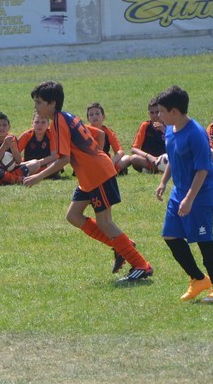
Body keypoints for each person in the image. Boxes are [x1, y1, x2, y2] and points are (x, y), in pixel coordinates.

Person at [24, 80, 153, 282]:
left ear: (52, 103)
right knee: (73, 216)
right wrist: (93, 158)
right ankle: (122, 245)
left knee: (104, 222)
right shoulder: (66, 117)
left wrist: (39, 176)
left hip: (97, 175)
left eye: (39, 102)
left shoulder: (59, 122)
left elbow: (64, 159)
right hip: (89, 177)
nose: (36, 107)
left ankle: (141, 265)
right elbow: (99, 134)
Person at [153, 86, 213, 303]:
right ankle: (198, 279)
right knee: (170, 235)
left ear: (174, 111)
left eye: (161, 111)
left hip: (201, 193)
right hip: (179, 192)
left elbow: (203, 169)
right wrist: (163, 181)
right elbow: (173, 157)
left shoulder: (196, 133)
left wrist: (189, 199)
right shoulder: (170, 129)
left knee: (204, 240)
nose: (158, 115)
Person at [117, 99, 167, 174]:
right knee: (134, 159)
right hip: (149, 161)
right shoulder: (145, 126)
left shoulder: (169, 125)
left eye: (157, 112)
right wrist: (149, 156)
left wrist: (164, 131)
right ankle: (157, 170)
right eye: (152, 113)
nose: (155, 116)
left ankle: (157, 169)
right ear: (148, 113)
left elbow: (176, 144)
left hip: (165, 159)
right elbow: (134, 149)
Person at [16, 112, 60, 180]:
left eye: (43, 122)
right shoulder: (27, 135)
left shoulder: (51, 135)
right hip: (29, 164)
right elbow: (15, 153)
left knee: (59, 162)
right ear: (32, 123)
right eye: (37, 122)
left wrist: (38, 163)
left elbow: (54, 156)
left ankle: (34, 173)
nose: (40, 125)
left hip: (46, 164)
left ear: (48, 124)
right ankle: (45, 173)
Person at [86, 102, 125, 172]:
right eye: (91, 115)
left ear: (103, 116)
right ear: (88, 119)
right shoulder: (84, 131)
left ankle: (111, 170)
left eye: (97, 114)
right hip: (89, 161)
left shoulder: (108, 132)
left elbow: (120, 151)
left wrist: (113, 161)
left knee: (127, 158)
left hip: (105, 161)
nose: (94, 116)